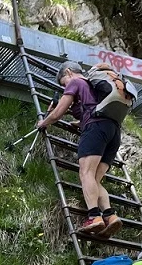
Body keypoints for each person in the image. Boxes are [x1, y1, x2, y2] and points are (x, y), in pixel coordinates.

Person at [36, 61, 126, 238]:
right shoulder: (95, 86)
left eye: (63, 83)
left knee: (86, 174)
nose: (65, 87)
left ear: (69, 72)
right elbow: (93, 108)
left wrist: (43, 122)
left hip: (96, 129)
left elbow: (58, 112)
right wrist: (80, 121)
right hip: (114, 132)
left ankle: (94, 217)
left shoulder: (76, 83)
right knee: (95, 179)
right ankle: (110, 215)